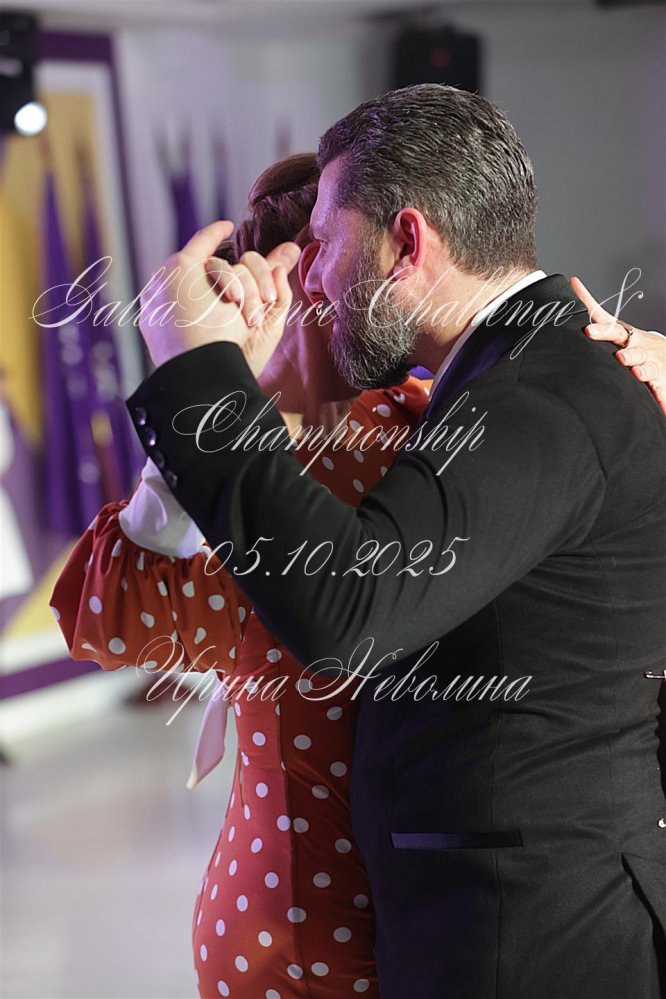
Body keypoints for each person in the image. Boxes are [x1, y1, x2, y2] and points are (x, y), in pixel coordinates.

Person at [125, 84, 666, 999]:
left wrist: (199, 373)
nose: (313, 281)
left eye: (327, 243)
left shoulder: (536, 396)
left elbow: (348, 604)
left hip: (532, 937)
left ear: (407, 241)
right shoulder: (520, 372)